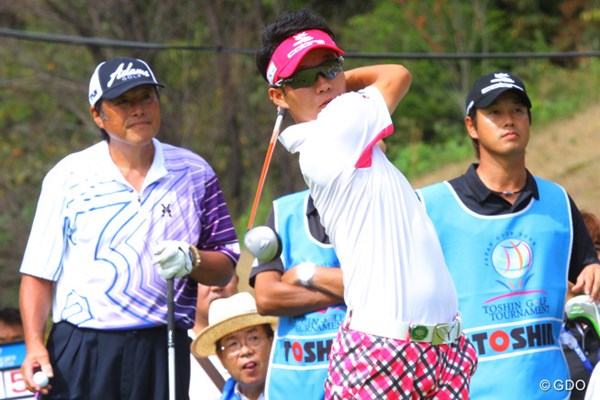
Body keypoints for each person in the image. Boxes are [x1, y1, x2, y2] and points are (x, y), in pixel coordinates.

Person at [255, 9, 477, 399]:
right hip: (386, 353)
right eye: (305, 78)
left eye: (330, 67)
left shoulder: (353, 135)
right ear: (278, 95)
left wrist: (328, 84)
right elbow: (396, 75)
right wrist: (343, 85)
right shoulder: (336, 130)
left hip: (442, 349)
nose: (323, 84)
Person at [18, 56, 239, 399]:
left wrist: (193, 260)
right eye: (123, 101)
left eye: (146, 97)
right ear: (97, 114)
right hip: (83, 345)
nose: (138, 109)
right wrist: (34, 343)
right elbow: (37, 274)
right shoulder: (68, 176)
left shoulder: (195, 173)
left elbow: (226, 266)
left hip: (162, 342)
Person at [416, 71, 600, 399]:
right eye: (495, 112)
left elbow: (586, 269)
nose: (509, 120)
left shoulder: (557, 201)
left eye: (517, 110)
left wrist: (592, 268)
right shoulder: (430, 206)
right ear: (471, 125)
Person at [250, 189, 346, 399]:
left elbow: (385, 282)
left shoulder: (377, 205)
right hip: (294, 388)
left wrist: (307, 273)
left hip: (362, 379)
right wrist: (349, 291)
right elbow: (267, 298)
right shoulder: (283, 213)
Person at [191, 292, 277, 400]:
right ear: (221, 358)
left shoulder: (297, 391)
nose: (245, 351)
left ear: (272, 342)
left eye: (253, 338)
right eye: (233, 344)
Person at [189, 273, 239, 399]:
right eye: (205, 278)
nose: (217, 286)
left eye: (225, 275)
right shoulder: (174, 354)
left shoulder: (266, 344)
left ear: (237, 280)